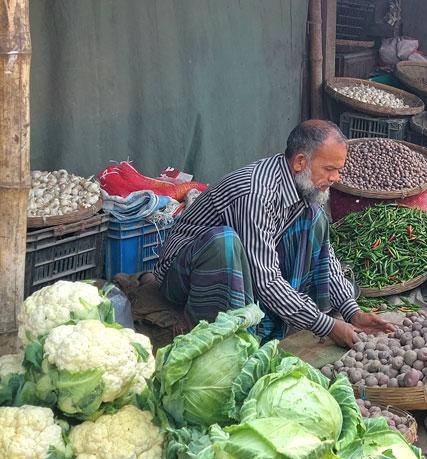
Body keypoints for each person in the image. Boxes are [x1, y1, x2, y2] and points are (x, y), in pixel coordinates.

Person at [154, 120, 392, 345]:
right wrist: (327, 326)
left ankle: (286, 315)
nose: (335, 178)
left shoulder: (303, 187)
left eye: (338, 170)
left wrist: (353, 312)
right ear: (300, 162)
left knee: (315, 219)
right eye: (330, 169)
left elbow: (326, 257)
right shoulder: (257, 193)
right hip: (184, 275)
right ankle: (202, 324)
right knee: (223, 242)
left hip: (243, 259)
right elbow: (266, 280)